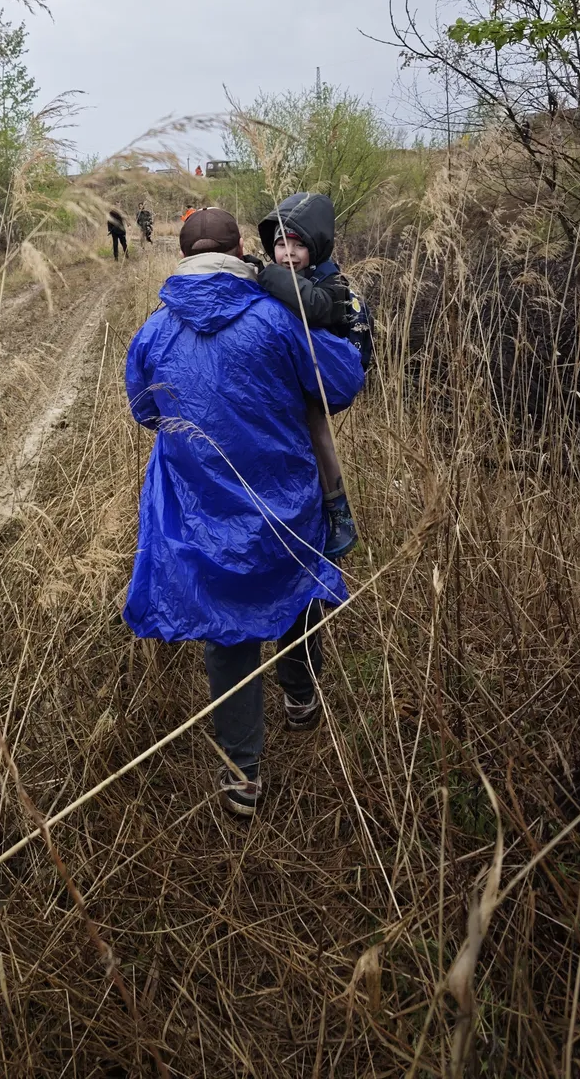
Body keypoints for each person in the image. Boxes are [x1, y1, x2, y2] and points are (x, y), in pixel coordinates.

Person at [123, 206, 364, 817]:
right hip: (285, 497)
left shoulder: (153, 332)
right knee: (293, 589)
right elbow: (340, 386)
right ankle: (302, 697)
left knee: (227, 630)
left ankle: (241, 775)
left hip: (200, 509)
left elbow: (145, 412)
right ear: (239, 251)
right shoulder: (278, 319)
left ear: (182, 256)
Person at [255, 193, 373, 559]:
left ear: (316, 248)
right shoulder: (285, 277)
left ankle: (338, 510)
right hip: (293, 371)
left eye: (298, 245)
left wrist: (266, 274)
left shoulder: (331, 284)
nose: (288, 254)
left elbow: (314, 306)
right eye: (280, 245)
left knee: (316, 430)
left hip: (325, 378)